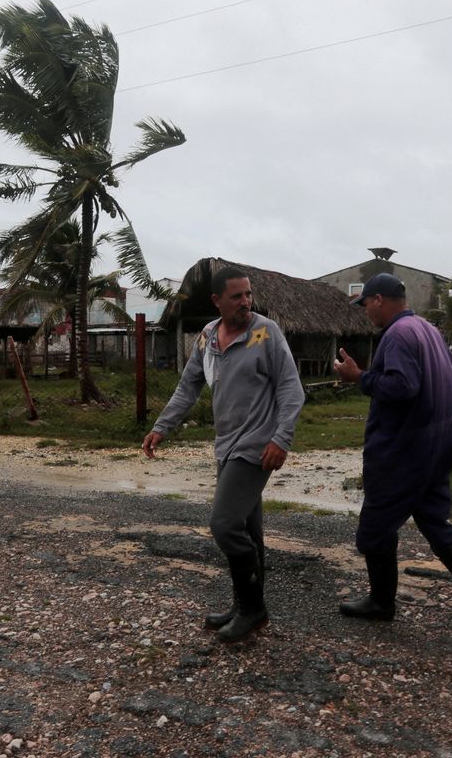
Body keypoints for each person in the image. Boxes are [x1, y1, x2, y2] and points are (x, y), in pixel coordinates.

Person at [333, 273, 452, 636]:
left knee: (374, 531)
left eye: (365, 303)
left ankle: (381, 603)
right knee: (433, 522)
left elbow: (402, 387)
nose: (365, 311)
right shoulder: (427, 329)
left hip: (403, 448)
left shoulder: (397, 335)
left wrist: (358, 377)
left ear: (379, 299)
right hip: (437, 443)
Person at [142, 265, 305, 642]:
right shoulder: (207, 338)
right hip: (226, 446)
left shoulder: (266, 333)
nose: (246, 302)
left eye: (248, 294)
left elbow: (291, 391)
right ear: (217, 301)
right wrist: (161, 427)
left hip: (256, 447)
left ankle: (252, 609)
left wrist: (281, 439)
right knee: (248, 528)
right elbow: (188, 388)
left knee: (224, 524)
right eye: (237, 296)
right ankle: (246, 606)